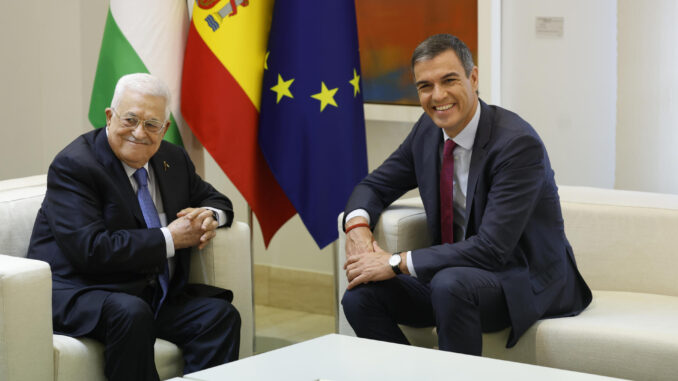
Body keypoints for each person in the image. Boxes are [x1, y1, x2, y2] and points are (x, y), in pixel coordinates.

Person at [341, 34, 592, 355]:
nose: (438, 95)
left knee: (450, 285)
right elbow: (374, 185)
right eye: (425, 86)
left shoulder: (516, 145)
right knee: (361, 297)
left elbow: (492, 249)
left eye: (449, 80)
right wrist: (357, 228)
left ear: (473, 78)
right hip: (453, 275)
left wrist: (393, 261)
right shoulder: (428, 131)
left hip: (518, 280)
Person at [27, 73, 240, 380]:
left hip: (146, 293)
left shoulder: (171, 159)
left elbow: (217, 200)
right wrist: (171, 238)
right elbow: (90, 249)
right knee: (130, 312)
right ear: (110, 117)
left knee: (218, 316)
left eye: (152, 124)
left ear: (164, 129)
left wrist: (208, 216)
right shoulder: (75, 166)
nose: (139, 133)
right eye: (130, 120)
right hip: (81, 291)